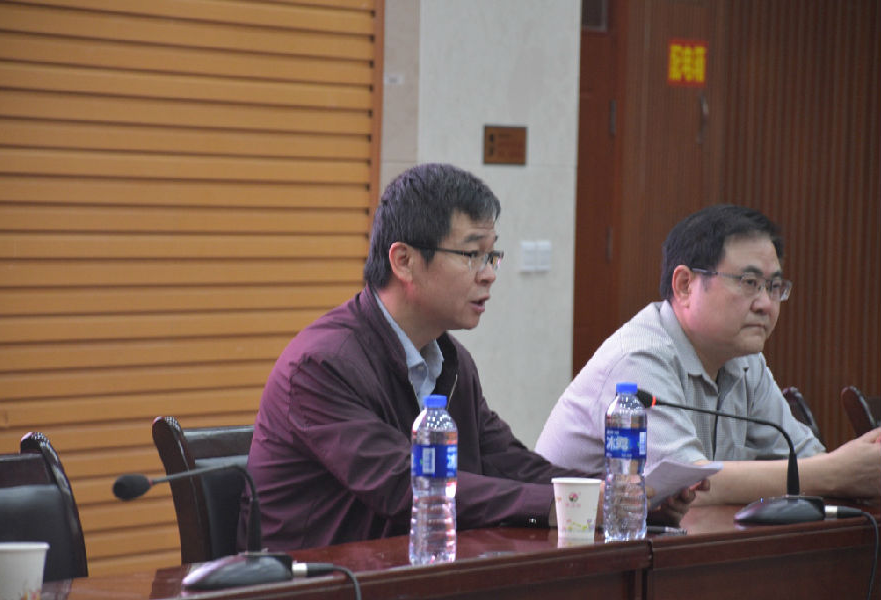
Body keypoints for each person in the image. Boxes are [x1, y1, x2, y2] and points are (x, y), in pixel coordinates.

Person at [241, 163, 696, 551]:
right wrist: (570, 507)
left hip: (415, 572)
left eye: (492, 255)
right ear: (404, 261)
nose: (489, 274)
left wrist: (623, 497)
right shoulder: (321, 365)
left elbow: (509, 463)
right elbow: (407, 486)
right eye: (471, 254)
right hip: (318, 582)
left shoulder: (449, 359)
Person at [535, 204, 881, 505]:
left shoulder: (745, 362)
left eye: (774, 286)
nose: (765, 304)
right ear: (685, 285)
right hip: (575, 546)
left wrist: (857, 465)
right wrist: (837, 472)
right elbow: (688, 488)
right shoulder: (638, 359)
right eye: (749, 282)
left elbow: (805, 457)